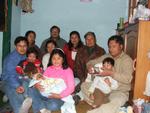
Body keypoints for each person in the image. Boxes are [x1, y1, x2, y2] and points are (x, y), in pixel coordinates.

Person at [85, 35, 133, 113]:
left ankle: (97, 108)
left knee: (114, 103)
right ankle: (101, 103)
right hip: (102, 88)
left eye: (114, 46)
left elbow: (127, 79)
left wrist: (110, 73)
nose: (111, 49)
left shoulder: (127, 60)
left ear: (121, 46)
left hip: (119, 91)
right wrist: (90, 67)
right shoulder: (107, 56)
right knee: (84, 86)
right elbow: (91, 62)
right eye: (109, 47)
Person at [1, 36, 32, 113]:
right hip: (7, 81)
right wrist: (17, 86)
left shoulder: (27, 57)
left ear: (27, 47)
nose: (22, 48)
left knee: (30, 84)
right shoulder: (10, 58)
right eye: (19, 46)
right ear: (16, 46)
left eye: (24, 46)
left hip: (21, 79)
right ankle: (19, 110)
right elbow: (10, 76)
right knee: (15, 92)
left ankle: (24, 97)